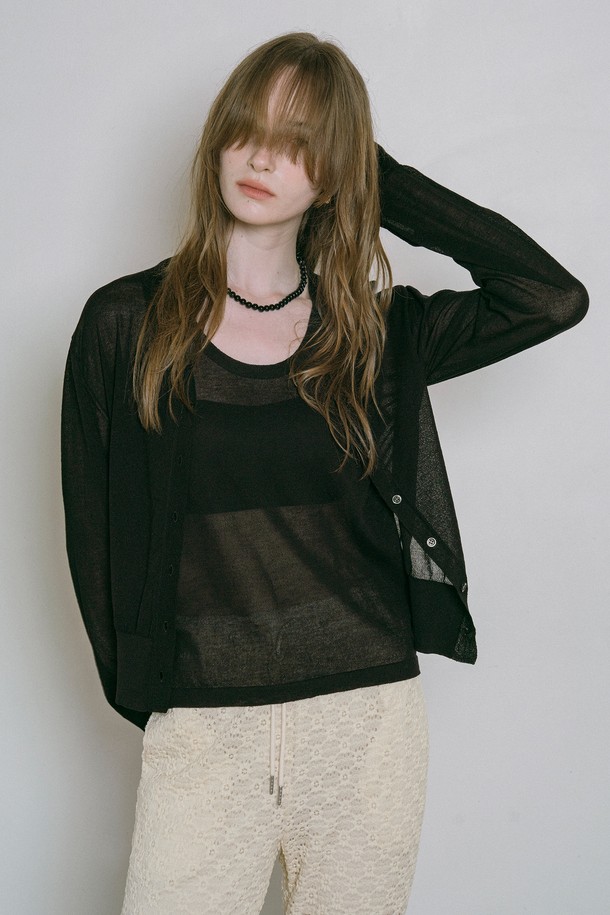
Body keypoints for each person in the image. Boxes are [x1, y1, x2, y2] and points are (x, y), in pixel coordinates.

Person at [61, 31, 588, 915]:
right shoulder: (126, 326)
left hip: (366, 719)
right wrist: (158, 697)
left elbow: (551, 295)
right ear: (218, 141)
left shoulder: (372, 337)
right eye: (248, 128)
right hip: (203, 726)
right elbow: (93, 530)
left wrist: (379, 181)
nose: (263, 156)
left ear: (336, 172)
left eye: (301, 141)